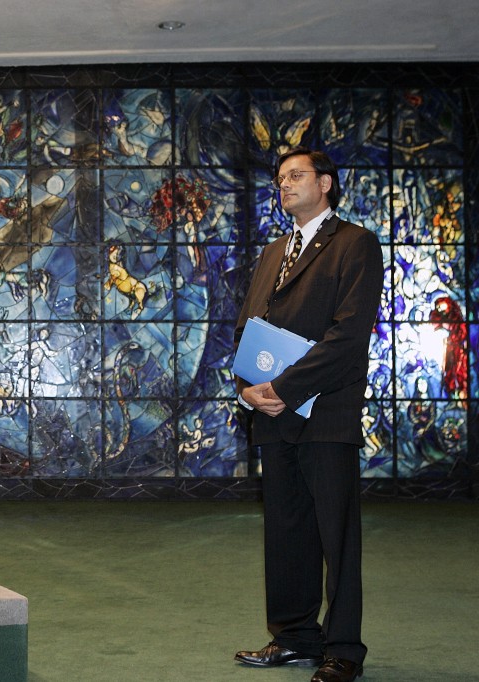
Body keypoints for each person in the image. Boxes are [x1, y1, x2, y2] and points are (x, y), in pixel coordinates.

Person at [233, 148, 383, 682]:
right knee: (286, 532)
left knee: (336, 537)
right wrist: (249, 386)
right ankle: (295, 637)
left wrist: (287, 386)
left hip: (325, 411)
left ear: (325, 183)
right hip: (272, 414)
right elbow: (247, 325)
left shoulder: (355, 244)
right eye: (279, 179)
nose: (284, 184)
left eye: (295, 176)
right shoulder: (275, 251)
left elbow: (348, 335)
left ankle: (343, 650)